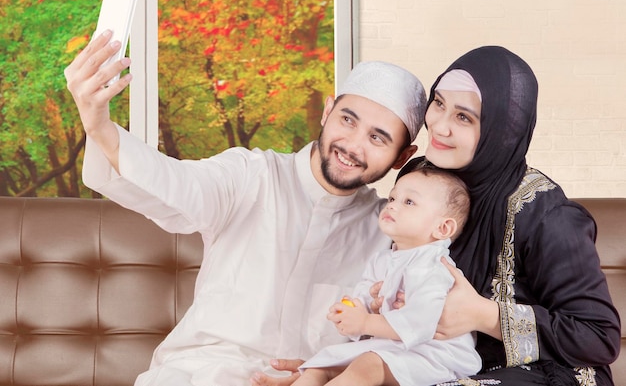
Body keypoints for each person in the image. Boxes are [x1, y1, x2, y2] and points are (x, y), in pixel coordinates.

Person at [64, 29, 428, 385]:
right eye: (347, 120)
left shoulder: (390, 231)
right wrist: (99, 125)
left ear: (402, 157)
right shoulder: (250, 174)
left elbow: (413, 342)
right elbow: (173, 182)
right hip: (202, 374)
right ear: (327, 111)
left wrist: (327, 372)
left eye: (377, 138)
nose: (352, 145)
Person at [257, 46, 621, 386]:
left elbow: (598, 338)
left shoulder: (547, 216)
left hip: (540, 372)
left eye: (464, 117)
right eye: (439, 103)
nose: (440, 126)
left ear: (502, 131)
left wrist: (483, 315)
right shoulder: (423, 175)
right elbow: (406, 271)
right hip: (434, 358)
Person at [293, 164, 481, 386]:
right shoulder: (382, 259)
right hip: (392, 346)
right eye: (392, 199)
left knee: (368, 365)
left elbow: (420, 325)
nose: (392, 206)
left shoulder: (434, 266)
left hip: (434, 352)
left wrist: (365, 323)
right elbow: (364, 295)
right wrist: (351, 309)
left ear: (442, 228)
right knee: (319, 366)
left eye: (409, 202)